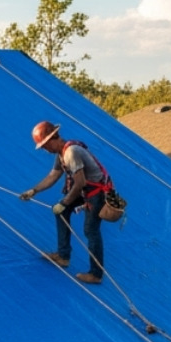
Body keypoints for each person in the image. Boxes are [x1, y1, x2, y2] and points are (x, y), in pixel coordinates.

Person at [17, 120, 113, 284]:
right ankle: (63, 256)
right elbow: (52, 176)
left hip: (96, 193)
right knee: (61, 211)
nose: (46, 149)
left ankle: (96, 274)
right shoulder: (61, 154)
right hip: (85, 190)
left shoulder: (71, 153)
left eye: (45, 145)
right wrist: (34, 191)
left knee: (91, 230)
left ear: (53, 138)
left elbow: (80, 182)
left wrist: (65, 202)